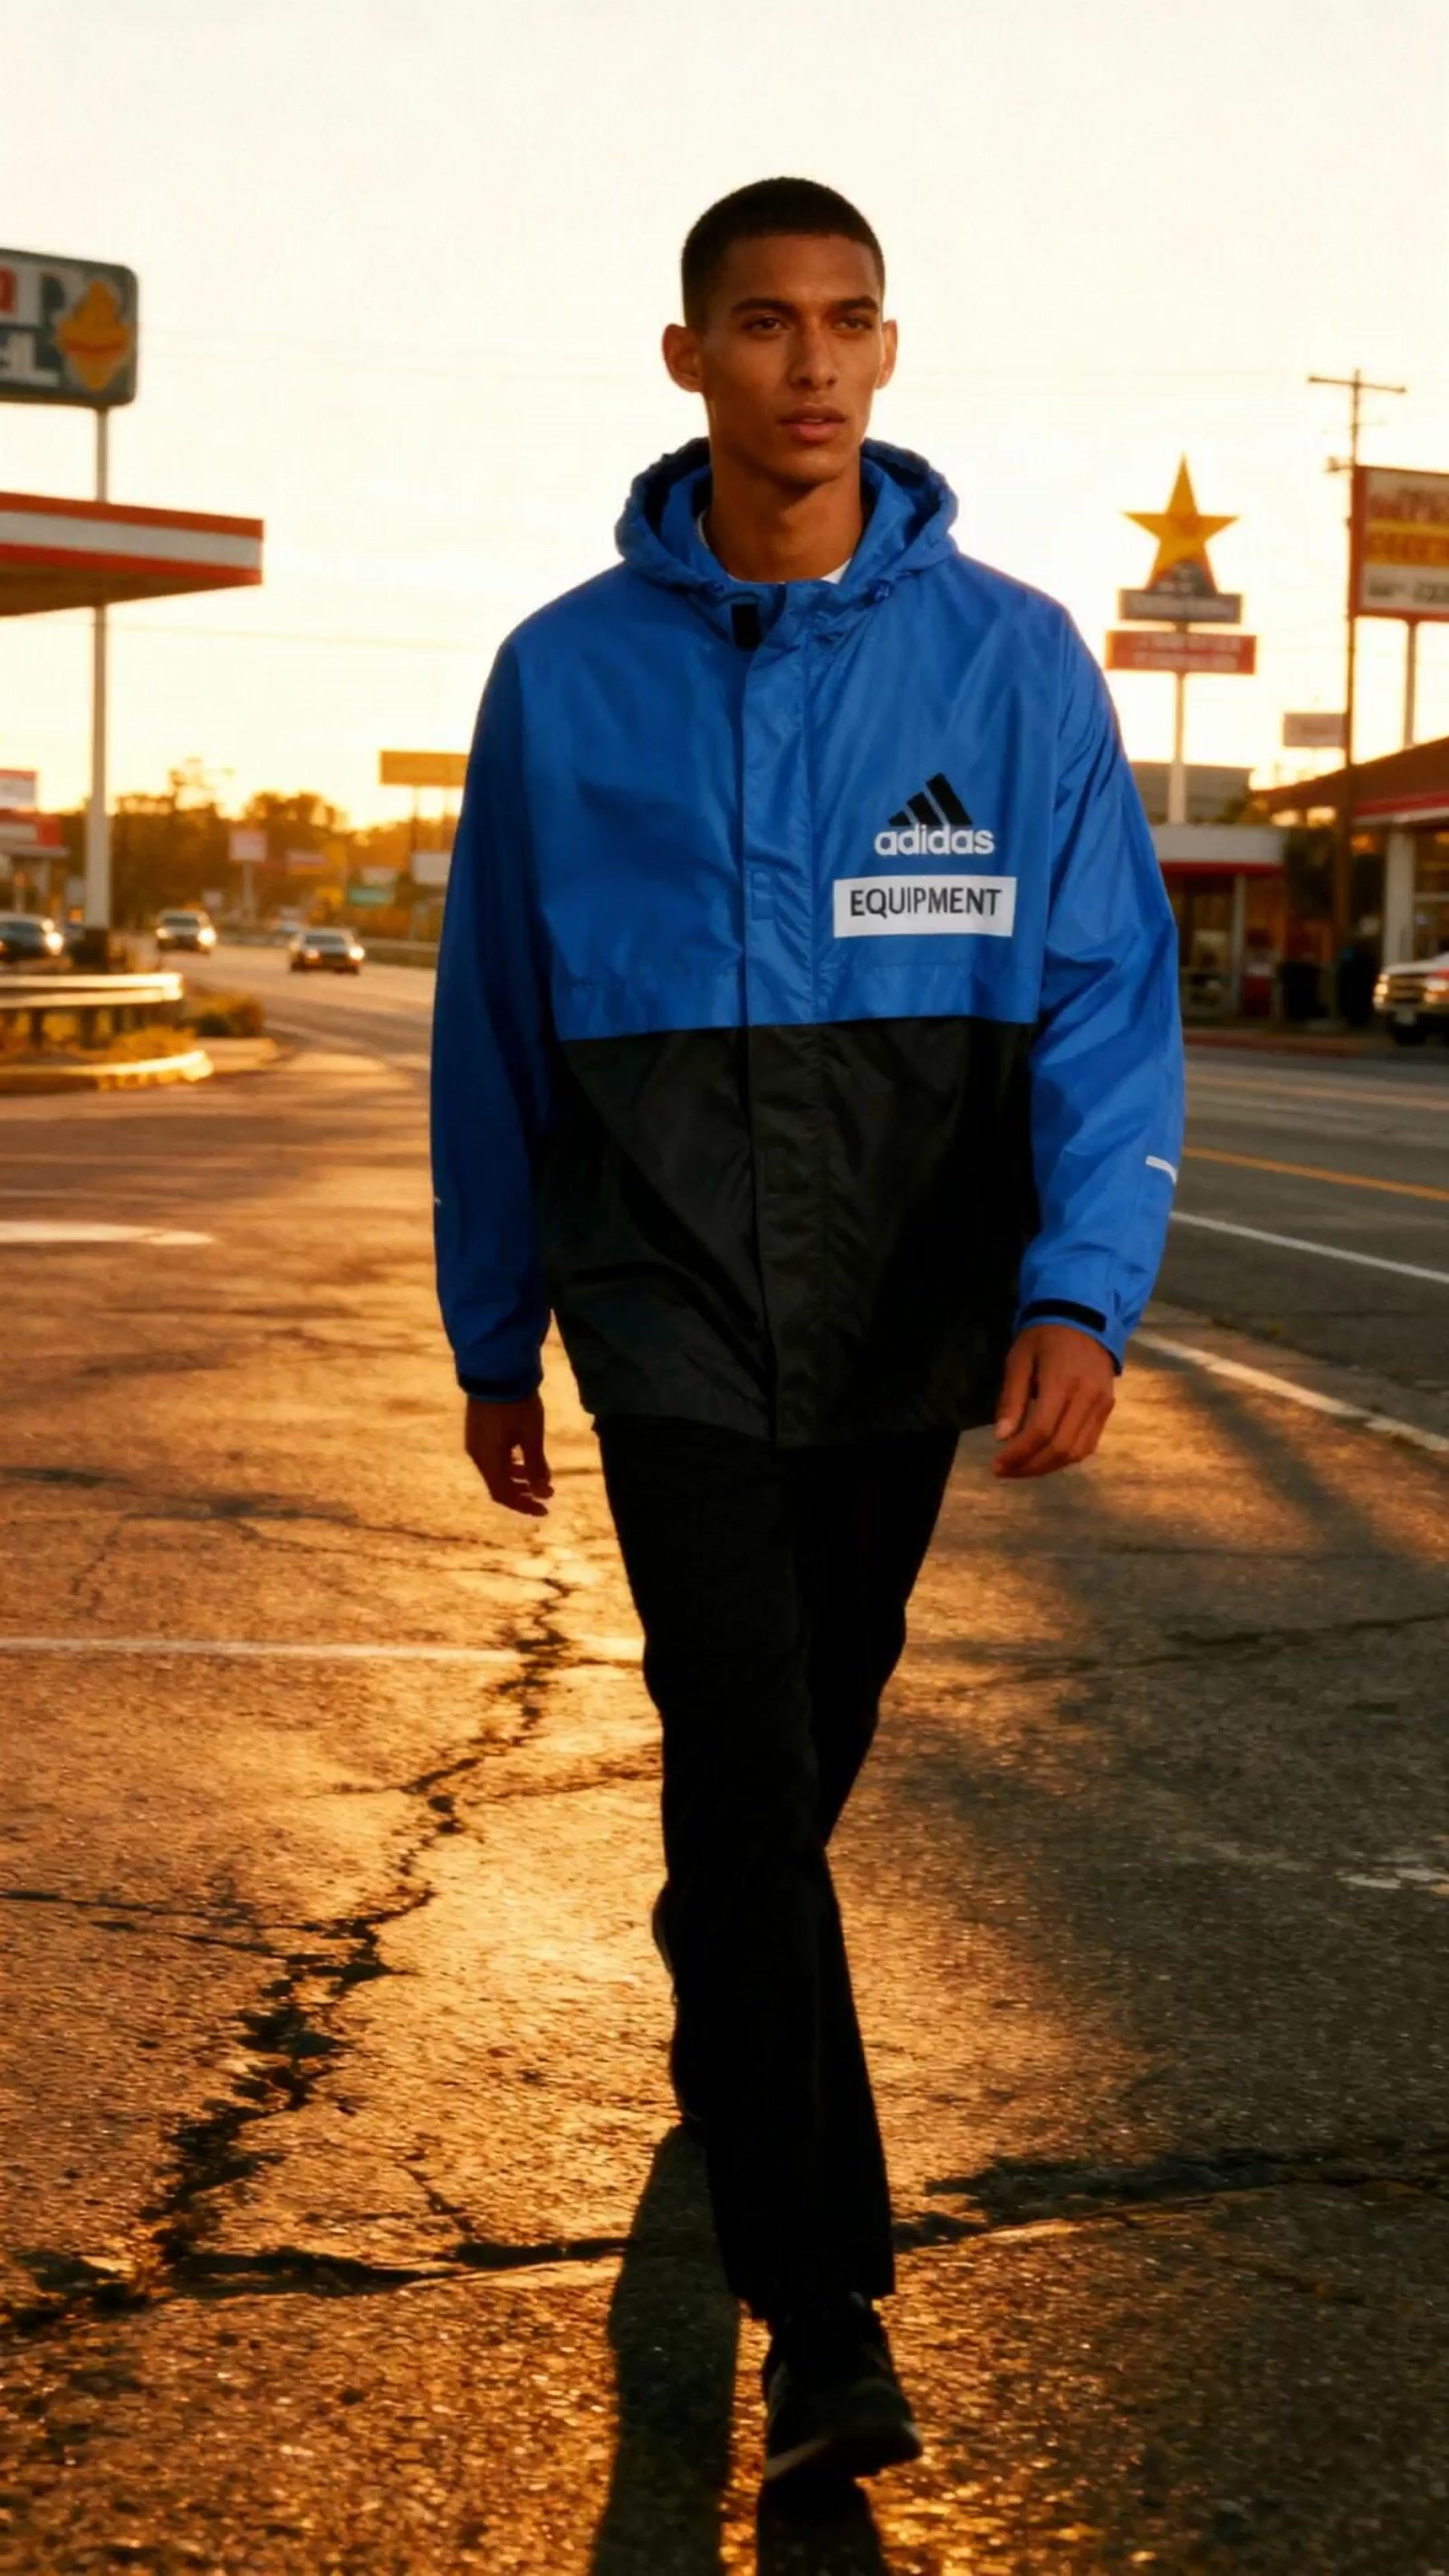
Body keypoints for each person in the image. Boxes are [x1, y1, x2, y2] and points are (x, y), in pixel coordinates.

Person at [431, 175, 1184, 2496]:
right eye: (761, 326)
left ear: (885, 349)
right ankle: (827, 2307)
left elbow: (1099, 993)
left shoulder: (1016, 661)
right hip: (660, 1300)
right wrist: (494, 1321)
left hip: (896, 1303)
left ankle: (730, 2021)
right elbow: (493, 1021)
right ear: (687, 360)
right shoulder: (561, 675)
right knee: (738, 1748)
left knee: (779, 1775)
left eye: (847, 323)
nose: (810, 366)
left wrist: (1076, 1283)